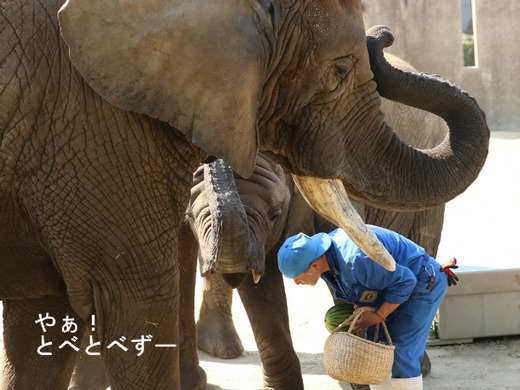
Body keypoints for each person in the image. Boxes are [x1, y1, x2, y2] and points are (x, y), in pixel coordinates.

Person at [277, 226, 458, 390]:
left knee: (402, 351)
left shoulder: (355, 259)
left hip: (422, 282)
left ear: (314, 266)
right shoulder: (325, 260)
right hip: (390, 286)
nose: (297, 283)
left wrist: (379, 315)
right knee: (375, 350)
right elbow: (361, 286)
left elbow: (406, 281)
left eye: (297, 277)